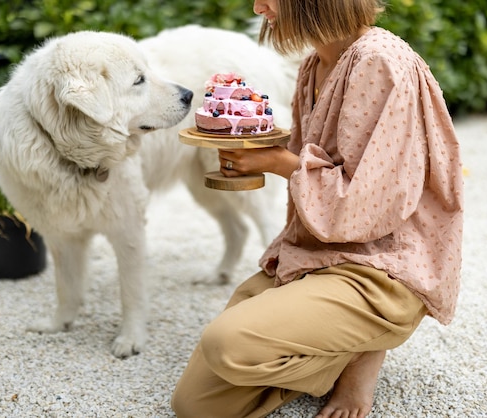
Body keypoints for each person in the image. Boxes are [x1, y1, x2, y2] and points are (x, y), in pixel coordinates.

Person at [171, 0, 464, 416]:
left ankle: (364, 351)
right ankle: (344, 348)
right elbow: (319, 166)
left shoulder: (379, 63)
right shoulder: (316, 63)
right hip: (317, 254)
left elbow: (367, 205)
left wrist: (279, 163)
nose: (258, 7)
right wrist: (257, 156)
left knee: (227, 344)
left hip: (378, 268)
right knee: (196, 405)